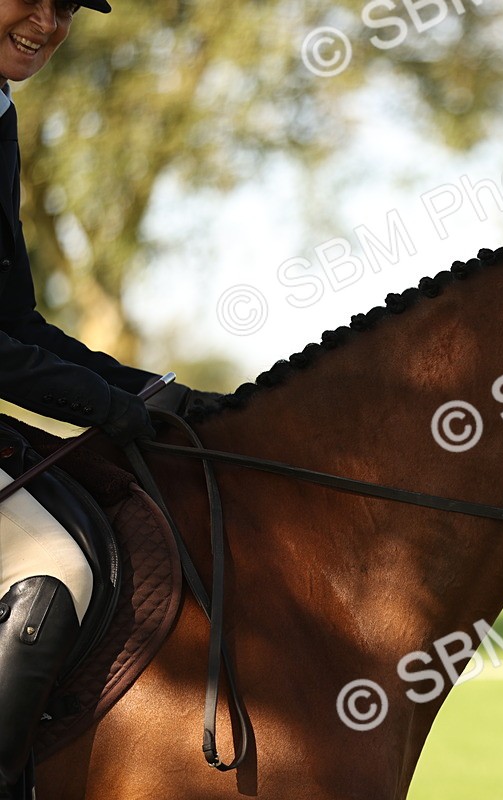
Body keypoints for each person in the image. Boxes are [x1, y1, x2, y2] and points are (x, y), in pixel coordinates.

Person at [0, 0, 192, 790]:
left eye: (68, 5)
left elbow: (14, 324)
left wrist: (144, 389)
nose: (48, 21)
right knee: (55, 567)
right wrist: (108, 409)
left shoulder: (0, 112)